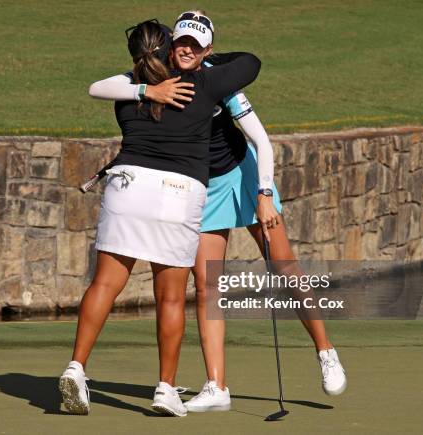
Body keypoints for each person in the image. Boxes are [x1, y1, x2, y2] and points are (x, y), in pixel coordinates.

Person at [87, 10, 347, 413]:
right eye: (181, 42)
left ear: (208, 49)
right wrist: (145, 92)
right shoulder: (153, 77)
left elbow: (262, 140)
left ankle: (325, 350)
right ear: (172, 44)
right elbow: (100, 87)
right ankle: (217, 385)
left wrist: (263, 194)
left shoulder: (218, 81)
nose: (186, 49)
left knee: (285, 266)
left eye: (196, 44)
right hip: (199, 187)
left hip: (242, 175)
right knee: (208, 287)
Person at [59, 19, 261, 417]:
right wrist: (205, 56)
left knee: (105, 284)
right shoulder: (201, 84)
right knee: (170, 297)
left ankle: (76, 367)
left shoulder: (125, 88)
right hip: (177, 195)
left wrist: (145, 88)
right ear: (170, 47)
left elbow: (96, 86)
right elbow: (251, 63)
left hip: (127, 187)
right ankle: (165, 388)